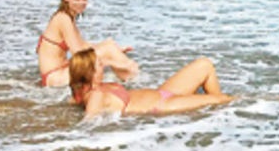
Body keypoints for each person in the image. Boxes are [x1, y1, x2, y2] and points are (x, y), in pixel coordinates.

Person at [69, 47, 233, 117]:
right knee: (223, 100)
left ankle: (218, 118)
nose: (103, 66)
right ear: (89, 72)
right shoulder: (96, 95)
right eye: (99, 64)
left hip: (161, 93)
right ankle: (225, 115)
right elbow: (89, 123)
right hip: (162, 105)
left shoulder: (90, 89)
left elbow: (75, 101)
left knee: (204, 65)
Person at [37, 0, 138, 87]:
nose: (81, 3)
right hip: (54, 77)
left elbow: (83, 45)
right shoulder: (63, 18)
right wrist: (109, 61)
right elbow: (78, 53)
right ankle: (134, 83)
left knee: (109, 45)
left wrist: (114, 47)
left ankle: (130, 81)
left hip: (61, 71)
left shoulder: (69, 17)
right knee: (110, 51)